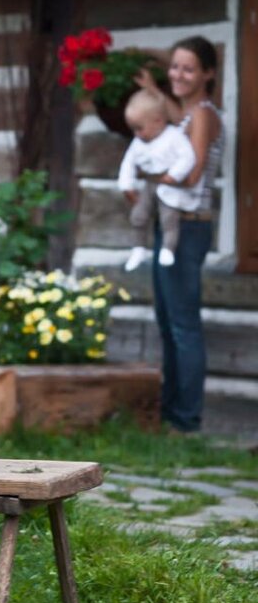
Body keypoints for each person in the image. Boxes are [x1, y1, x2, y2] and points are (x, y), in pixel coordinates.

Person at [134, 36, 224, 434]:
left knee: (183, 323)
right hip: (174, 225)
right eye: (175, 66)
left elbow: (192, 171)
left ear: (208, 73)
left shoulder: (203, 114)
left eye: (189, 68)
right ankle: (171, 414)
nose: (179, 74)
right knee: (169, 320)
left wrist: (149, 177)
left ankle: (185, 420)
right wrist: (154, 92)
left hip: (188, 226)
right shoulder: (187, 114)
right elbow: (176, 117)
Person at [117, 89, 197, 272]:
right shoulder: (138, 143)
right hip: (149, 185)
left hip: (170, 186)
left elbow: (188, 157)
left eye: (140, 128)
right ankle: (138, 249)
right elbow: (128, 163)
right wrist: (126, 185)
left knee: (169, 218)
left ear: (158, 121)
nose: (137, 134)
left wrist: (174, 175)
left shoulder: (174, 137)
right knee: (138, 215)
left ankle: (168, 249)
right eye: (133, 129)